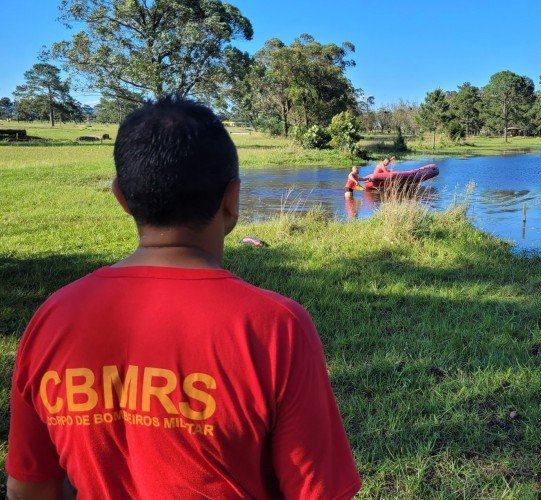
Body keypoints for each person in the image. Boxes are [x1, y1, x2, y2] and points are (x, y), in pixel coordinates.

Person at [6, 96, 362, 499]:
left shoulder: (52, 317)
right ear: (233, 200)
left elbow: (28, 489)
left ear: (121, 197)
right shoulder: (277, 327)